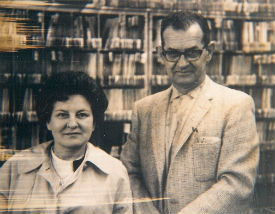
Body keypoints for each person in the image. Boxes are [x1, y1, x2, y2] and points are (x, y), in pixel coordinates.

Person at [120, 12, 259, 214]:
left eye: (192, 53)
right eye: (173, 53)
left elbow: (237, 184)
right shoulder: (144, 109)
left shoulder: (236, 105)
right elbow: (129, 172)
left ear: (209, 52)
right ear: (161, 54)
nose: (182, 63)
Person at [0, 71, 133, 214]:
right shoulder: (15, 167)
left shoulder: (114, 172)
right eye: (62, 115)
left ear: (94, 123)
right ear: (48, 122)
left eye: (82, 115)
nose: (72, 124)